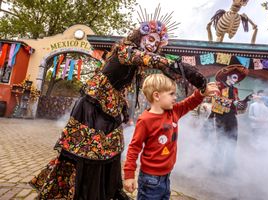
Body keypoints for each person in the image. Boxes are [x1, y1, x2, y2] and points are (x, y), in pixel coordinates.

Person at [29, 8, 209, 200]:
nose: (152, 45)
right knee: (91, 154)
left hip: (110, 112)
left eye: (156, 43)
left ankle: (105, 194)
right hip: (93, 108)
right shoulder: (126, 51)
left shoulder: (136, 66)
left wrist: (124, 111)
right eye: (150, 39)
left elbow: (122, 87)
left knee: (112, 153)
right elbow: (148, 58)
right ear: (140, 36)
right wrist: (176, 65)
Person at [123, 73, 219, 199]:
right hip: (150, 179)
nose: (175, 97)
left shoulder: (173, 112)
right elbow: (134, 148)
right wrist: (129, 175)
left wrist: (202, 93)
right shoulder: (145, 120)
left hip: (166, 176)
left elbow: (189, 103)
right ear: (156, 95)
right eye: (171, 94)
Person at [208, 64, 251, 175]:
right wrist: (233, 102)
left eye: (237, 78)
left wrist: (246, 100)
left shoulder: (235, 90)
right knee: (221, 142)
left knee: (232, 141)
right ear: (228, 77)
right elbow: (216, 101)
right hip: (220, 116)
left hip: (232, 117)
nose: (236, 80)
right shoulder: (219, 86)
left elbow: (237, 105)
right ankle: (214, 167)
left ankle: (229, 168)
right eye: (234, 77)